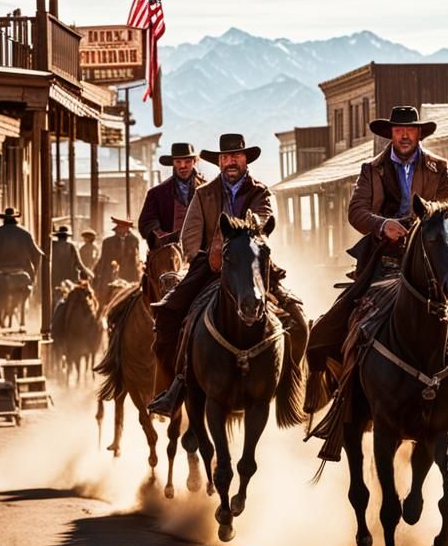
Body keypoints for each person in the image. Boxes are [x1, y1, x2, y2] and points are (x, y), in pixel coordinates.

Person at [149, 133, 306, 415]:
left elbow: (260, 224)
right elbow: (191, 235)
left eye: (236, 156)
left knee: (298, 320)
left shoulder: (260, 192)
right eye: (225, 158)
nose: (231, 162)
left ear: (245, 160)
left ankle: (288, 382)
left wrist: (234, 243)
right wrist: (207, 255)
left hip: (252, 266)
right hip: (208, 268)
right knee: (169, 315)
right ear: (219, 162)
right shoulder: (204, 193)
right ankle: (177, 386)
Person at [306, 105, 448, 376]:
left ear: (419, 133)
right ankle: (343, 385)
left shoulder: (439, 168)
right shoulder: (371, 169)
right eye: (399, 131)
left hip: (430, 256)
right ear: (391, 134)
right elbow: (356, 211)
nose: (405, 136)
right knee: (335, 323)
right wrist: (383, 225)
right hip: (384, 257)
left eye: (410, 130)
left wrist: (423, 224)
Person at [138, 141, 206, 250]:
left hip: (202, 251)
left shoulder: (208, 191)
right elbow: (146, 222)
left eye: (187, 161)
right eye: (178, 162)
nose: (182, 166)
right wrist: (160, 235)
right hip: (168, 254)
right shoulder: (156, 194)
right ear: (173, 163)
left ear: (194, 162)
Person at [0, 207, 43, 281]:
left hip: (0, 275)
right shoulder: (25, 234)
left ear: (4, 219)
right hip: (22, 275)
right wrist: (34, 273)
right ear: (16, 219)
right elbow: (37, 254)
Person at [95, 217, 141, 292]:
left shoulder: (133, 240)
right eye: (121, 227)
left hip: (130, 275)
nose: (128, 230)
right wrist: (102, 276)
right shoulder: (108, 242)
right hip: (112, 275)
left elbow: (136, 258)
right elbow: (104, 260)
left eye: (127, 228)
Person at [51, 225, 93, 291]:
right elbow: (79, 264)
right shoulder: (71, 246)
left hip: (54, 278)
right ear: (66, 237)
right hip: (69, 278)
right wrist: (89, 274)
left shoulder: (52, 245)